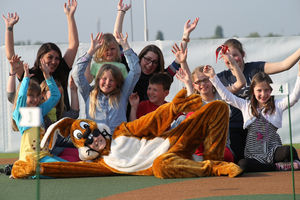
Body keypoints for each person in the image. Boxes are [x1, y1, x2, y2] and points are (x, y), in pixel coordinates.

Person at [203, 63, 300, 172]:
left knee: (288, 150)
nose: (263, 94)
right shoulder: (246, 105)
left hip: (273, 150)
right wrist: (213, 77)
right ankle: (278, 167)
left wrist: (299, 74)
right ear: (253, 91)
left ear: (271, 91)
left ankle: (296, 163)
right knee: (243, 164)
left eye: (267, 90)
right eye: (259, 90)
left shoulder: (277, 105)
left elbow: (294, 98)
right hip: (254, 154)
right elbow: (227, 96)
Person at [217, 38, 300, 163]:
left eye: (235, 55)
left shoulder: (255, 68)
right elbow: (203, 87)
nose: (232, 59)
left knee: (274, 153)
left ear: (243, 54)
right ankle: (276, 165)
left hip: (259, 127)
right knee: (240, 162)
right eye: (228, 56)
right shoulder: (222, 77)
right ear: (223, 58)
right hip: (236, 128)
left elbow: (284, 65)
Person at [113, 0, 199, 102]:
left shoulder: (160, 78)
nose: (150, 64)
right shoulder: (129, 67)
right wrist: (121, 12)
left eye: (154, 62)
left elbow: (179, 60)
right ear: (140, 58)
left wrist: (185, 35)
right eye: (147, 59)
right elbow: (117, 40)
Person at [173, 42, 246, 162]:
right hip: (199, 149)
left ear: (211, 79)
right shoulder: (195, 100)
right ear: (194, 85)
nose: (203, 84)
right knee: (183, 119)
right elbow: (189, 79)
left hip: (221, 148)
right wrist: (183, 61)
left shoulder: (221, 94)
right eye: (199, 82)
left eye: (206, 79)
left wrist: (232, 62)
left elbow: (241, 83)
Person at [2, 0, 79, 110]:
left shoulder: (62, 70)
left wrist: (70, 16)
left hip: (61, 122)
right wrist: (9, 28)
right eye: (50, 57)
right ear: (40, 58)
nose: (54, 61)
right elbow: (11, 57)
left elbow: (74, 45)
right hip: (37, 123)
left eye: (57, 58)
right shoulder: (30, 74)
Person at [72, 32, 141, 134]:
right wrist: (91, 51)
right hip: (95, 143)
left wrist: (125, 46)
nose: (107, 83)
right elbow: (77, 73)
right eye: (104, 79)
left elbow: (136, 71)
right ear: (98, 79)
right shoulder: (89, 93)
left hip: (118, 143)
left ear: (117, 82)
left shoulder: (122, 93)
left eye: (112, 80)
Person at [11, 60, 67, 179]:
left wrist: (47, 76)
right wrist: (25, 79)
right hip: (31, 159)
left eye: (37, 96)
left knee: (68, 167)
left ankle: (29, 172)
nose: (35, 99)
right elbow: (21, 97)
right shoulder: (20, 114)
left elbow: (56, 96)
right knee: (63, 171)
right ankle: (26, 171)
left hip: (44, 156)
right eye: (31, 95)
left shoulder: (39, 111)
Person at [40, 76, 80, 162]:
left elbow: (74, 114)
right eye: (53, 95)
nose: (56, 98)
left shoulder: (59, 112)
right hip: (45, 152)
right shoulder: (40, 112)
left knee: (79, 156)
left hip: (59, 149)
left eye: (59, 95)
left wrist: (73, 90)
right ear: (43, 94)